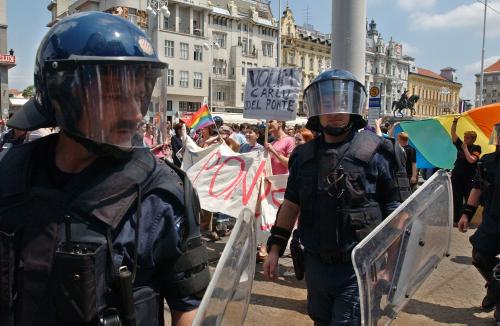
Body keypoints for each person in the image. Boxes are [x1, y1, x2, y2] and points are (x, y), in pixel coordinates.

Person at [0, 12, 209, 325]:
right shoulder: (10, 172)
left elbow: (189, 309)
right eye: (113, 95)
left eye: (140, 95)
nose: (135, 113)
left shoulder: (162, 193)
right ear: (62, 95)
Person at [263, 69, 405, 325]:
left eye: (343, 105)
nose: (336, 113)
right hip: (316, 266)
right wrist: (275, 249)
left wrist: (390, 267)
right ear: (317, 108)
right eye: (329, 104)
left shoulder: (378, 153)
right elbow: (291, 204)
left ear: (354, 108)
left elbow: (397, 214)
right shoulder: (303, 157)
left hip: (358, 268)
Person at [458, 123, 500, 318]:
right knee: (480, 254)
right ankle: (494, 288)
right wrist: (466, 213)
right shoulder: (488, 161)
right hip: (492, 220)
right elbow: (477, 188)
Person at [451, 116, 482, 224]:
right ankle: (456, 219)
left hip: (469, 178)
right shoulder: (461, 145)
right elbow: (453, 135)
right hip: (457, 176)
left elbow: (471, 160)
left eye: (467, 138)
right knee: (456, 198)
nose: (464, 139)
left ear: (473, 139)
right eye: (464, 137)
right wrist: (455, 121)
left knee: (468, 198)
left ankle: (465, 219)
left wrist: (465, 149)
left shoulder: (476, 148)